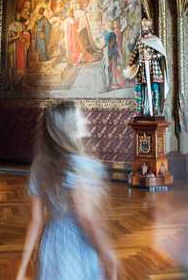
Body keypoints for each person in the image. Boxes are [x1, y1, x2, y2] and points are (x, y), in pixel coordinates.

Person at [16, 102, 118, 280]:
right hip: (77, 245)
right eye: (79, 118)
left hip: (51, 243)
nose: (86, 121)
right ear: (68, 127)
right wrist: (106, 253)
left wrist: (22, 267)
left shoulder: (40, 166)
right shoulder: (82, 165)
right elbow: (86, 218)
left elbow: (36, 220)